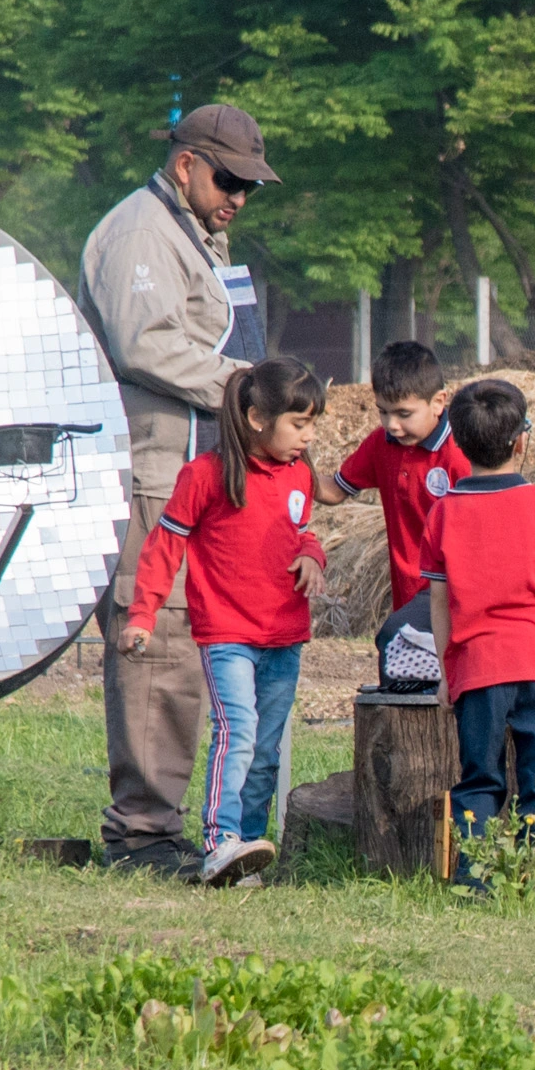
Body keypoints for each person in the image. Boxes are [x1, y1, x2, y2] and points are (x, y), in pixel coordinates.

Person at [77, 102, 281, 878]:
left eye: (251, 186)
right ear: (187, 164)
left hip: (195, 473)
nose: (239, 196)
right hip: (152, 472)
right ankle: (141, 833)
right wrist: (251, 387)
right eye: (229, 179)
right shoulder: (141, 232)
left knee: (190, 644)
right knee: (154, 641)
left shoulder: (194, 233)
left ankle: (167, 823)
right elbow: (145, 343)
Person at [121, 357, 328, 888]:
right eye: (298, 424)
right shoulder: (206, 475)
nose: (307, 437)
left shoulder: (299, 476)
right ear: (258, 418)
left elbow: (301, 530)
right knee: (237, 732)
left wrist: (313, 556)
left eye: (312, 426)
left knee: (265, 750)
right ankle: (219, 842)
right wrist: (143, 613)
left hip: (286, 635)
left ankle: (248, 853)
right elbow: (165, 545)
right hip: (227, 634)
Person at [423, 378, 535, 846]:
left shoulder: (443, 513)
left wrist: (448, 671)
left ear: (460, 442)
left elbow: (439, 601)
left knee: (480, 778)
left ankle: (478, 876)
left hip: (477, 664)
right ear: (521, 439)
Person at [320, 340, 471, 613]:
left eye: (404, 414)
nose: (392, 424)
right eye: (383, 412)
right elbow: (335, 490)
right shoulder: (382, 443)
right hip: (407, 604)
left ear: (438, 402)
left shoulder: (460, 454)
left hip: (454, 603)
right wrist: (289, 466)